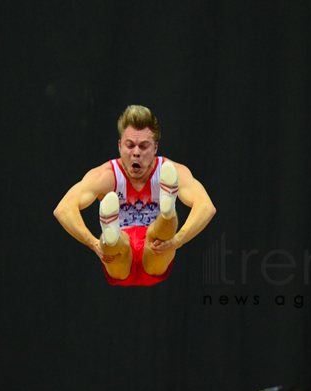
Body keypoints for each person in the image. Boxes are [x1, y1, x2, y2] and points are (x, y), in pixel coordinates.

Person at [53, 105, 216, 286]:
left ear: (155, 148)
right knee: (117, 243)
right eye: (130, 145)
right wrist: (93, 243)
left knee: (158, 234)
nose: (136, 152)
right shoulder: (106, 176)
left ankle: (167, 211)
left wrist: (178, 240)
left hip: (155, 252)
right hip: (121, 258)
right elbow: (64, 209)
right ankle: (112, 233)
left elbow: (206, 206)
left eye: (143, 146)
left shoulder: (172, 171)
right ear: (119, 146)